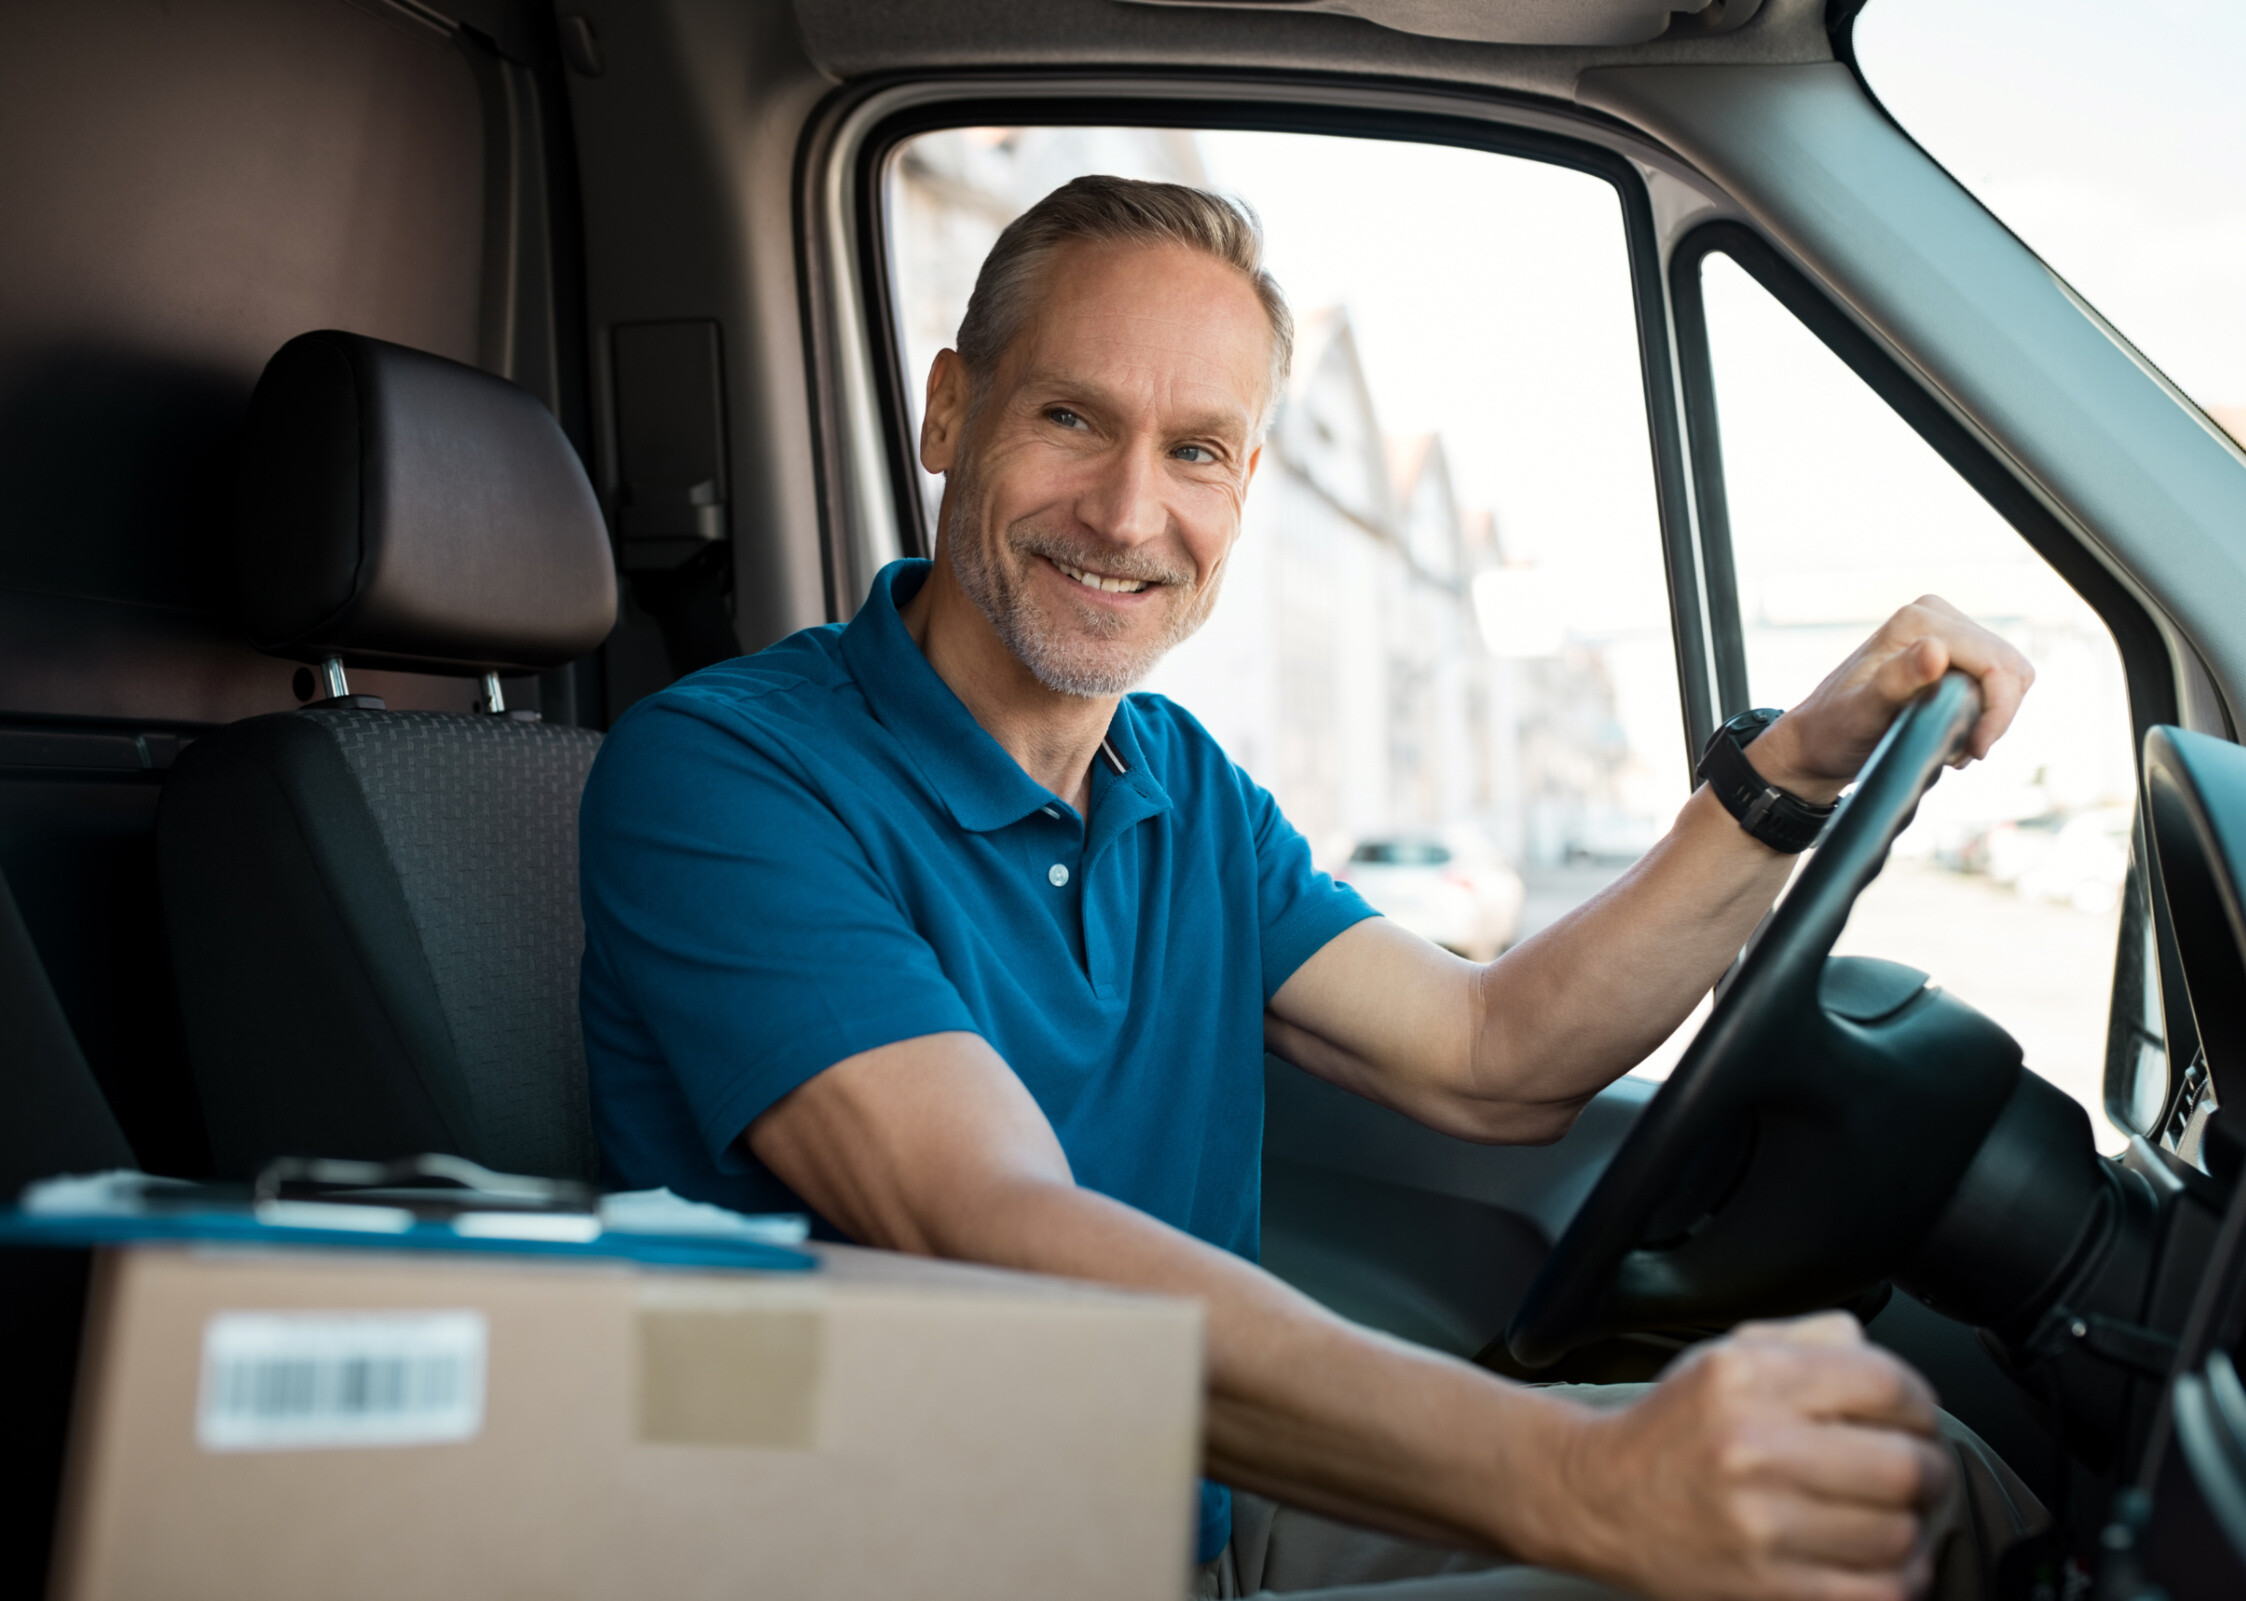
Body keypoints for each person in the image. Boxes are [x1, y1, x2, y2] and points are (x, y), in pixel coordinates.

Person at [580, 175, 2044, 1600]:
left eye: (1199, 450)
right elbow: (991, 1230)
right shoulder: (726, 774)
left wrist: (1791, 768)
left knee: (1918, 1494)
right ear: (952, 409)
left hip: (1194, 1519)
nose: (1127, 510)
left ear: (1246, 484)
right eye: (1073, 416)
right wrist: (1586, 1484)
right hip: (954, 1556)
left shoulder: (1180, 783)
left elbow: (1494, 1056)